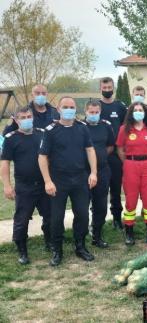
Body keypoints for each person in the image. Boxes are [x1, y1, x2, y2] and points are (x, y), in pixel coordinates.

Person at [38, 97, 97, 266]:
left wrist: (93, 172)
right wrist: (47, 181)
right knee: (56, 217)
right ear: (58, 108)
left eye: (71, 107)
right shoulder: (50, 130)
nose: (69, 109)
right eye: (65, 107)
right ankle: (57, 250)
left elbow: (90, 150)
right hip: (58, 180)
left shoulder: (82, 128)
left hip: (80, 178)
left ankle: (80, 246)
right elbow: (42, 157)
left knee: (83, 215)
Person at [0, 107, 51, 264]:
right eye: (23, 117)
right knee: (21, 220)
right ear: (16, 120)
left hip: (44, 184)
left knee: (50, 216)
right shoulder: (10, 138)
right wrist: (7, 186)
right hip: (24, 186)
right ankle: (22, 250)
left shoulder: (42, 134)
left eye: (29, 116)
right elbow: (4, 164)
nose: (27, 119)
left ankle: (50, 242)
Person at [116, 102, 147, 246]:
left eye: (140, 110)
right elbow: (120, 150)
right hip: (130, 165)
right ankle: (129, 233)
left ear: (145, 112)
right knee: (131, 200)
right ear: (130, 113)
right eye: (135, 110)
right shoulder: (124, 129)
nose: (138, 112)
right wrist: (130, 161)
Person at [84, 100, 115, 248]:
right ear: (85, 112)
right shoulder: (80, 127)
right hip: (83, 172)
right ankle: (81, 236)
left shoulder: (106, 126)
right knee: (82, 206)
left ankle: (97, 236)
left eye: (96, 112)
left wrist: (99, 158)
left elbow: (110, 146)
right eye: (91, 112)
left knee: (101, 206)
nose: (94, 115)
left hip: (103, 171)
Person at [99, 77, 127, 230]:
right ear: (100, 88)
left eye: (110, 87)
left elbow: (126, 128)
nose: (107, 90)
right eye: (105, 87)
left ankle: (117, 219)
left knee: (116, 189)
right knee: (99, 191)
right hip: (100, 155)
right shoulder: (96, 106)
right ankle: (98, 222)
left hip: (116, 155)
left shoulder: (120, 106)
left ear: (113, 88)